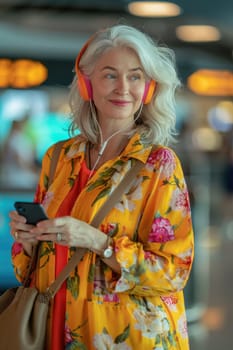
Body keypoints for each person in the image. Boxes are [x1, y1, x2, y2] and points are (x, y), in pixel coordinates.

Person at [9, 24, 194, 349]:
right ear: (86, 83)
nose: (123, 87)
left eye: (135, 76)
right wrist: (27, 241)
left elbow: (173, 272)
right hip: (54, 322)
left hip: (126, 335)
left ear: (148, 88)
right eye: (110, 75)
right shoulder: (59, 158)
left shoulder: (159, 165)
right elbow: (29, 268)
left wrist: (99, 242)